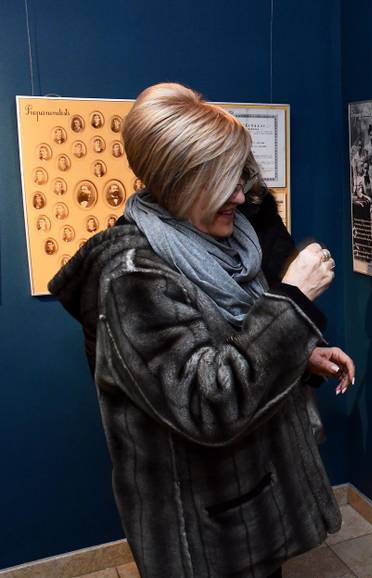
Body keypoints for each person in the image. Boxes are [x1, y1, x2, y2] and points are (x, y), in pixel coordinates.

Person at [49, 82, 354, 578]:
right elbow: (207, 405)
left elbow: (236, 341)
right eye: (222, 182)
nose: (240, 195)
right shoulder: (133, 277)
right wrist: (292, 299)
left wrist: (300, 357)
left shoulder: (227, 246)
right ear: (178, 184)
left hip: (251, 500)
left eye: (238, 177)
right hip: (204, 532)